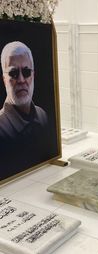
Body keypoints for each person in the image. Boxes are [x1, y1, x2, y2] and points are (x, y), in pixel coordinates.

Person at [0, 41, 48, 180]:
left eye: (26, 72)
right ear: (4, 79)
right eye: (13, 73)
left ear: (33, 75)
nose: (21, 80)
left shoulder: (42, 115)